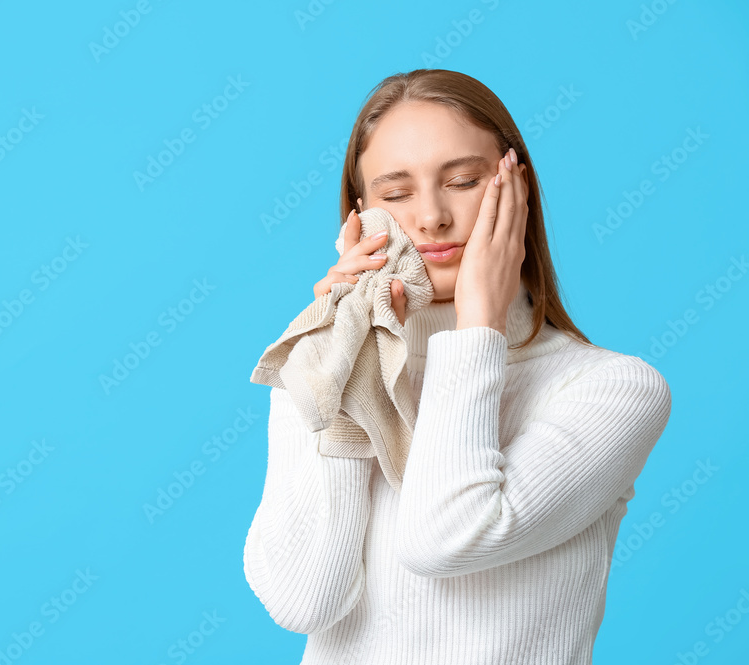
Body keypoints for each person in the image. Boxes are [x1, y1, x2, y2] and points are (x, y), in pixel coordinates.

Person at [242, 69, 672, 664]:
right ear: (361, 213)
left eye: (463, 181)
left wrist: (478, 329)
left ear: (515, 185)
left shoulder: (611, 389)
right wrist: (336, 355)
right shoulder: (320, 367)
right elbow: (304, 602)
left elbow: (443, 539)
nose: (432, 218)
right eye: (395, 194)